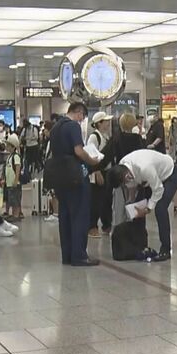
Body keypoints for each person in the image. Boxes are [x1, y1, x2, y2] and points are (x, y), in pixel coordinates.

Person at [50, 102, 102, 266]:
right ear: (79, 113)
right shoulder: (72, 126)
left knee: (64, 215)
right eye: (82, 117)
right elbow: (78, 150)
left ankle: (67, 255)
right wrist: (92, 160)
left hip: (60, 177)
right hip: (75, 176)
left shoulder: (55, 127)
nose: (81, 121)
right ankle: (79, 255)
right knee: (80, 214)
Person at [107, 148, 177, 262]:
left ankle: (165, 249)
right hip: (148, 180)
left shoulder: (145, 167)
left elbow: (158, 190)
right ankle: (139, 244)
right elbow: (131, 186)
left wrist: (147, 209)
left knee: (160, 208)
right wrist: (132, 203)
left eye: (124, 183)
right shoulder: (123, 166)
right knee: (137, 208)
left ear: (126, 176)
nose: (125, 185)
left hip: (170, 174)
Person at [87, 112, 113, 238]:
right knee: (96, 201)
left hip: (107, 171)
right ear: (99, 123)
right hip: (98, 172)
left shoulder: (106, 136)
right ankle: (92, 227)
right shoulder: (94, 137)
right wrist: (97, 172)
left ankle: (107, 225)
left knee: (106, 200)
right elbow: (91, 155)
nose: (108, 123)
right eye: (105, 121)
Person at [3, 134, 24, 222]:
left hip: (15, 183)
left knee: (15, 200)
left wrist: (16, 180)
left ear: (12, 146)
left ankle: (16, 214)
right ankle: (13, 213)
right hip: (9, 183)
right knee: (11, 199)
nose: (6, 146)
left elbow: (18, 168)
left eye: (8, 145)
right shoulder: (9, 156)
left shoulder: (16, 156)